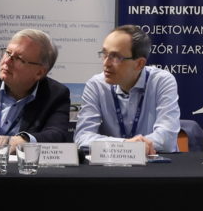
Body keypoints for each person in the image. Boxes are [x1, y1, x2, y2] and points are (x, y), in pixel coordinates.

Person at [73, 25, 180, 155]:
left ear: (139, 64)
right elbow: (82, 137)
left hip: (155, 162)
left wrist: (130, 146)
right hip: (112, 164)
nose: (106, 63)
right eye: (104, 54)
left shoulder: (161, 81)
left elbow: (167, 139)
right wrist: (125, 145)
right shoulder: (96, 85)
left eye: (116, 57)